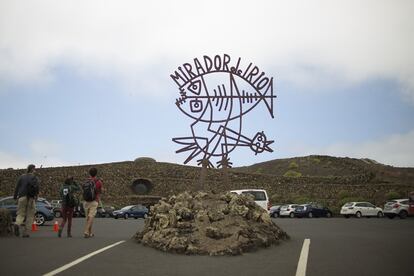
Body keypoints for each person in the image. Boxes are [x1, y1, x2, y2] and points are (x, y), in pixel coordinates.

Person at [13, 164, 39, 238]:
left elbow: (17, 187)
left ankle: (17, 224)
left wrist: (15, 197)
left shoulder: (21, 177)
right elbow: (37, 189)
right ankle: (25, 233)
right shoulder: (35, 178)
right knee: (30, 216)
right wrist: (36, 197)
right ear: (33, 169)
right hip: (31, 198)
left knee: (20, 213)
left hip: (22, 197)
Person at [83, 167, 103, 238]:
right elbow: (100, 192)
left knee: (88, 218)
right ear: (96, 173)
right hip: (94, 201)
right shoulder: (98, 181)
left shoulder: (86, 181)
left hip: (86, 201)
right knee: (91, 217)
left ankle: (90, 233)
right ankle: (86, 231)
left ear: (89, 173)